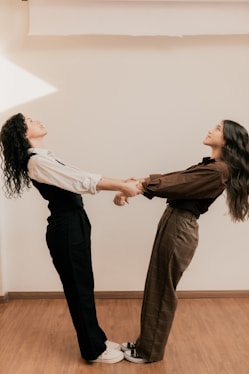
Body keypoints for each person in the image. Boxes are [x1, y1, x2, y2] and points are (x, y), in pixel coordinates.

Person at [0, 113, 140, 364]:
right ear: (23, 134)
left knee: (83, 284)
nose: (37, 120)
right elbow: (82, 181)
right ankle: (93, 350)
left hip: (74, 222)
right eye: (30, 121)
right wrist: (122, 185)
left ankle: (96, 339)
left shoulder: (46, 158)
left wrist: (121, 183)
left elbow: (82, 176)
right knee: (78, 289)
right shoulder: (37, 162)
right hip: (65, 227)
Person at [114, 119, 249, 363]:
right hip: (174, 221)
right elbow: (177, 177)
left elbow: (175, 184)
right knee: (157, 283)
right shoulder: (212, 166)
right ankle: (146, 343)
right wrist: (136, 184)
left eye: (218, 128)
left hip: (180, 226)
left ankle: (149, 351)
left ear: (228, 139)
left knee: (162, 288)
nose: (211, 129)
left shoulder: (218, 170)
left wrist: (138, 186)